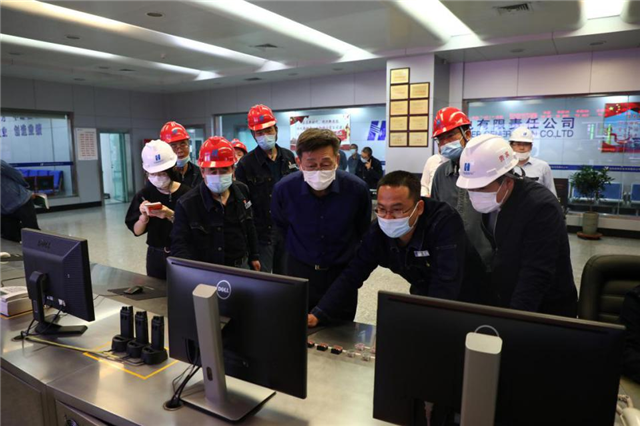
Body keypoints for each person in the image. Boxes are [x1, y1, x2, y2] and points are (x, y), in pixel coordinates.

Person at [308, 171, 486, 327]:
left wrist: (429, 327)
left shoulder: (443, 222)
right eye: (381, 209)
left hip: (471, 299)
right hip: (424, 293)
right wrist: (319, 313)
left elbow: (446, 283)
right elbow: (353, 274)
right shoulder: (377, 233)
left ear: (419, 208)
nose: (388, 217)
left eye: (397, 210)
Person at [456, 134, 577, 317]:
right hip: (508, 296)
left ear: (507, 181)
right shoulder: (496, 201)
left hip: (546, 309)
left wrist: (513, 321)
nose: (474, 194)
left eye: (481, 188)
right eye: (470, 188)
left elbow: (536, 274)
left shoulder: (541, 207)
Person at [272, 128, 372, 322]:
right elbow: (282, 227)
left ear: (337, 159)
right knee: (296, 328)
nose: (318, 170)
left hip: (340, 276)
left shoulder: (356, 189)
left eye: (326, 164)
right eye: (311, 165)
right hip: (299, 274)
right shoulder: (284, 190)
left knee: (342, 332)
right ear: (299, 162)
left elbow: (362, 231)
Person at [171, 137, 260, 271]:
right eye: (213, 171)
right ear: (202, 172)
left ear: (232, 169)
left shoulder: (242, 191)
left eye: (224, 170)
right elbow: (180, 245)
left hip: (241, 267)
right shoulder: (187, 203)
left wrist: (254, 256)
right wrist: (190, 273)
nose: (218, 175)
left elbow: (249, 226)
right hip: (206, 271)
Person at [235, 104, 297, 274]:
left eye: (268, 130)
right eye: (259, 133)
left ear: (276, 130)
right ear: (253, 135)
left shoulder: (289, 157)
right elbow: (242, 203)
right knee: (263, 281)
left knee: (286, 277)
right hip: (261, 234)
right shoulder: (246, 164)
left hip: (287, 229)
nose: (265, 136)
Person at [430, 107, 494, 269]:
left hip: (486, 259)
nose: (445, 143)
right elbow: (435, 215)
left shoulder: (489, 169)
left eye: (451, 136)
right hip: (450, 258)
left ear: (468, 134)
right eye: (441, 139)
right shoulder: (441, 174)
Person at [125, 140, 191, 280]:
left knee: (182, 288)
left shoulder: (187, 194)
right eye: (153, 174)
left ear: (172, 170)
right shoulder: (145, 194)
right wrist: (143, 218)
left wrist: (170, 214)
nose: (157, 178)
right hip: (155, 254)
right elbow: (137, 231)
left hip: (182, 252)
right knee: (155, 290)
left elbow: (193, 226)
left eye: (162, 174)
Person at [509, 126, 557, 196]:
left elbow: (551, 194)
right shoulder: (504, 166)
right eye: (518, 144)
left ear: (531, 146)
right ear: (511, 146)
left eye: (526, 144)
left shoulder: (543, 166)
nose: (522, 148)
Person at [1, 160, 40, 242]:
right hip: (5, 209)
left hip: (21, 201)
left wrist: (25, 188)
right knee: (9, 237)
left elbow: (16, 174)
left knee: (32, 232)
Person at [159, 121, 203, 189]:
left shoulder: (199, 173)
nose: (179, 150)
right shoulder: (161, 176)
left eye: (183, 144)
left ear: (188, 144)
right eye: (173, 145)